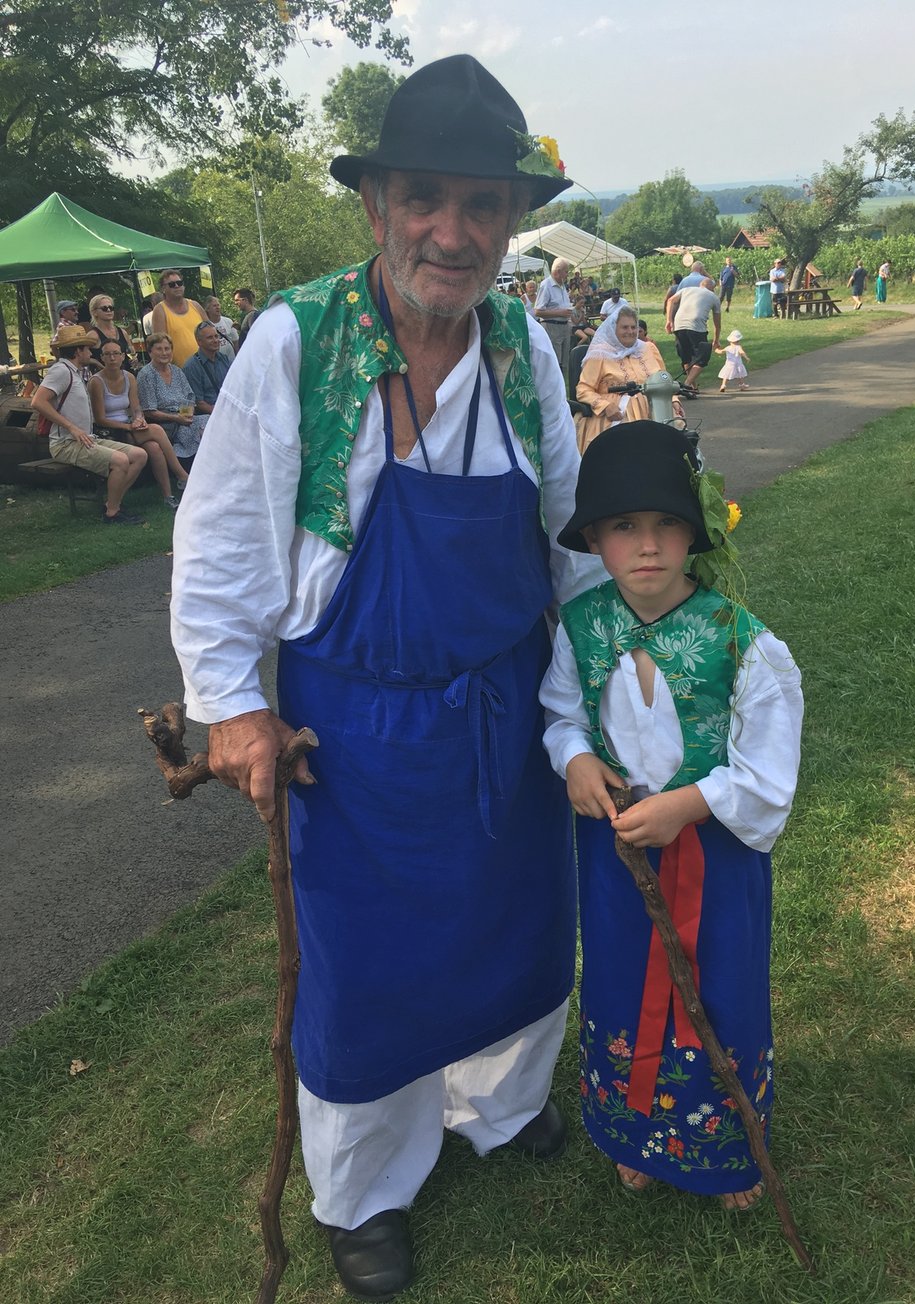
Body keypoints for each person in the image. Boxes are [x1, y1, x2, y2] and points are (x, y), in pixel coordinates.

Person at [170, 54, 602, 1301]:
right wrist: (236, 704)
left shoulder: (522, 347)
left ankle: (501, 1106)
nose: (450, 232)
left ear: (512, 221)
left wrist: (607, 680)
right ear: (375, 206)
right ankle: (366, 1188)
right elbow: (222, 542)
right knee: (367, 967)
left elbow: (567, 539)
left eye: (480, 205)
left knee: (518, 926)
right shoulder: (295, 342)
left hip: (508, 702)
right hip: (351, 725)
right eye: (424, 197)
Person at [539, 421, 803, 1210]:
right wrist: (576, 758)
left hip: (713, 862)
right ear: (594, 538)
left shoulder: (741, 643)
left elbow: (768, 775)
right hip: (618, 856)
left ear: (695, 533)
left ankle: (723, 1145)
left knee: (717, 987)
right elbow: (562, 714)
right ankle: (635, 1129)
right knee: (621, 982)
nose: (646, 546)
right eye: (624, 527)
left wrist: (689, 805)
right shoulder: (583, 627)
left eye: (666, 526)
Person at [30, 324, 146, 524]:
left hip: (85, 439)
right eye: (87, 348)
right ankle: (112, 513)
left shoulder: (74, 371)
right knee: (120, 461)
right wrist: (71, 427)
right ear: (78, 351)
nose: (91, 352)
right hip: (65, 443)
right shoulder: (61, 371)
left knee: (139, 455)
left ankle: (112, 503)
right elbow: (38, 401)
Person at [89, 340, 189, 507]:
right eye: (108, 354)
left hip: (129, 426)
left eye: (116, 354)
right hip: (108, 431)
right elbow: (99, 419)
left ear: (122, 357)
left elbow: (136, 407)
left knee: (154, 448)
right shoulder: (96, 382)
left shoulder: (129, 377)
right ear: (102, 358)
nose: (113, 358)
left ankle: (168, 496)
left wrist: (138, 419)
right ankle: (182, 475)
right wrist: (129, 426)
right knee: (156, 429)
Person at [574, 307, 684, 453]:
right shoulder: (599, 354)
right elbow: (583, 389)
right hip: (616, 413)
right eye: (624, 327)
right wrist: (605, 406)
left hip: (654, 407)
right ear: (614, 328)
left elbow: (663, 381)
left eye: (633, 327)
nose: (630, 331)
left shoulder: (648, 349)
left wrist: (673, 399)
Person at [136, 332, 208, 473]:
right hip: (165, 424)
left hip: (183, 417)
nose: (164, 353)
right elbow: (149, 411)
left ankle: (207, 467)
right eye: (159, 349)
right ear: (150, 352)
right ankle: (191, 470)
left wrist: (187, 415)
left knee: (209, 421)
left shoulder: (177, 371)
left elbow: (190, 397)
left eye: (167, 349)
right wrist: (177, 418)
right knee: (196, 432)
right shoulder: (146, 375)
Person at [665, 278, 721, 394]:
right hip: (697, 327)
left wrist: (669, 320)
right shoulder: (713, 297)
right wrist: (716, 340)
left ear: (700, 285)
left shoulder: (686, 289)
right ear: (712, 288)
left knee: (686, 356)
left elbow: (670, 300)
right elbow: (717, 323)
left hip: (679, 324)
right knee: (702, 358)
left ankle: (692, 388)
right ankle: (687, 384)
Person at [151, 271, 207, 366]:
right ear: (163, 289)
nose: (177, 286)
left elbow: (211, 332)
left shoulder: (195, 305)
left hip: (206, 367)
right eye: (172, 284)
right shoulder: (160, 310)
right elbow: (160, 346)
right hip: (181, 371)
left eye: (180, 283)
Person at [535, 257, 574, 378]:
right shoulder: (546, 285)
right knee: (555, 360)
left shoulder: (562, 285)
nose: (567, 274)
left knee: (564, 359)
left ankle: (563, 382)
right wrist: (560, 313)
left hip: (564, 326)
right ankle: (554, 382)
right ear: (557, 271)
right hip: (552, 326)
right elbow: (538, 311)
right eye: (566, 272)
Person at [181, 321, 232, 413]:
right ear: (199, 342)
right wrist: (221, 414)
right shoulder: (191, 367)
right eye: (210, 338)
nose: (216, 340)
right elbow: (198, 403)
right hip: (210, 415)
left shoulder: (223, 359)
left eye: (216, 336)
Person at [87, 293, 136, 369]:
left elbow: (131, 352)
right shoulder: (93, 335)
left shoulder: (123, 332)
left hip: (125, 375)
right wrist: (98, 364)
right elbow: (83, 358)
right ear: (94, 312)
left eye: (111, 307)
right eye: (104, 308)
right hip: (104, 378)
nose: (109, 310)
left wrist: (133, 359)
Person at [203, 295, 239, 359]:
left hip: (231, 361)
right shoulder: (205, 326)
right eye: (214, 306)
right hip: (217, 363)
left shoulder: (228, 321)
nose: (218, 307)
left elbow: (235, 342)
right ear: (207, 309)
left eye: (218, 305)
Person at [714, 329, 750, 393]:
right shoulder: (738, 347)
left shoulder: (728, 348)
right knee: (740, 374)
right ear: (738, 340)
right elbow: (742, 352)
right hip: (738, 364)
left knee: (726, 375)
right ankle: (742, 385)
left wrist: (716, 349)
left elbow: (721, 352)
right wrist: (746, 357)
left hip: (729, 364)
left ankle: (723, 385)